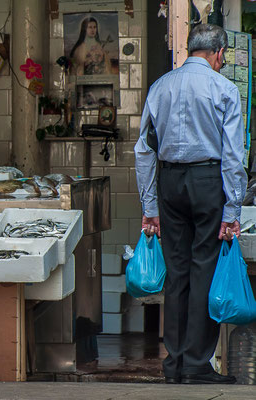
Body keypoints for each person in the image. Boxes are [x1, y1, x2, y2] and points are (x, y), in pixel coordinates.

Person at [134, 24, 246, 384]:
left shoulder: (159, 86)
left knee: (177, 272)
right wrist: (232, 210)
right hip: (207, 182)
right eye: (223, 56)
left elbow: (144, 151)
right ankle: (197, 364)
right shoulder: (224, 88)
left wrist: (149, 206)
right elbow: (232, 156)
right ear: (218, 53)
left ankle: (174, 364)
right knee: (203, 271)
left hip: (169, 183)